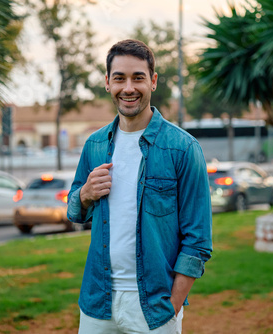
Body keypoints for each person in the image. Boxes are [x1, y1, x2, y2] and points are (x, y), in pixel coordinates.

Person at [67, 39, 212, 333]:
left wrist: (172, 306)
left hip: (154, 308)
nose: (129, 88)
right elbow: (74, 212)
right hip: (98, 302)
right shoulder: (95, 145)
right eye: (119, 78)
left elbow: (198, 239)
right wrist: (84, 195)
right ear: (107, 83)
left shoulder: (183, 148)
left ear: (153, 81)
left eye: (138, 78)